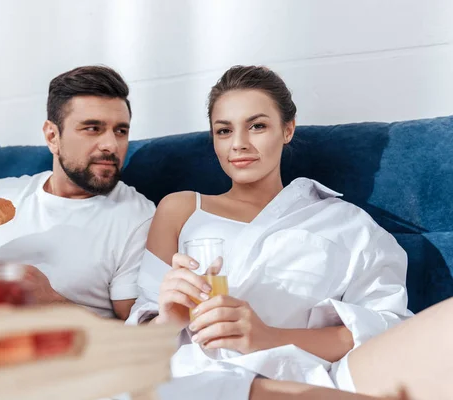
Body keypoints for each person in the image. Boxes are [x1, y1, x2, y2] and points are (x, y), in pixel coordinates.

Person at [127, 65, 453, 400]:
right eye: (224, 131)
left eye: (257, 126)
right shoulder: (181, 209)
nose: (238, 144)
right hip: (198, 377)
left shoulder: (346, 223)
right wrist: (168, 320)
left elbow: (383, 328)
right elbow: (135, 345)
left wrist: (266, 336)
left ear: (287, 129)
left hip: (314, 376)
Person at [0, 66, 155, 320]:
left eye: (121, 131)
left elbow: (136, 336)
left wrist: (52, 301)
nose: (112, 144)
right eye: (92, 128)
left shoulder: (138, 218)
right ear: (52, 136)